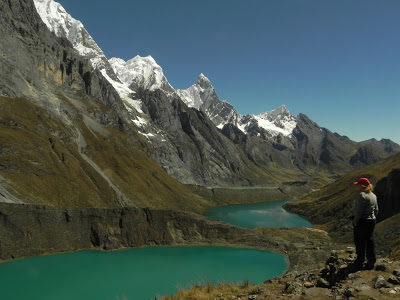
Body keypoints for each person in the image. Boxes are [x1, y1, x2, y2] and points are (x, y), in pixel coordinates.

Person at [352, 177, 379, 270]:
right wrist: (373, 218)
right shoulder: (373, 195)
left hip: (362, 221)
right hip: (372, 221)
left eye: (358, 185)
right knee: (369, 240)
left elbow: (359, 211)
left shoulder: (362, 195)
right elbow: (376, 210)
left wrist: (355, 222)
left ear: (362, 186)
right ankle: (371, 260)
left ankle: (359, 262)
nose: (357, 187)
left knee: (360, 241)